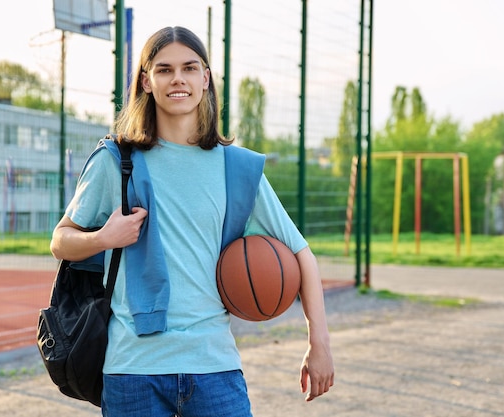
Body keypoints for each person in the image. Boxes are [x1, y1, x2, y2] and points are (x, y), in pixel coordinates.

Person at [50, 26, 334, 417]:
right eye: (164, 69)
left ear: (206, 78)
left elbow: (301, 253)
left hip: (214, 366)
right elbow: (61, 240)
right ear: (146, 81)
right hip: (133, 370)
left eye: (189, 68)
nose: (177, 79)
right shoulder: (117, 161)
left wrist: (319, 343)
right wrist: (103, 237)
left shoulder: (237, 166)